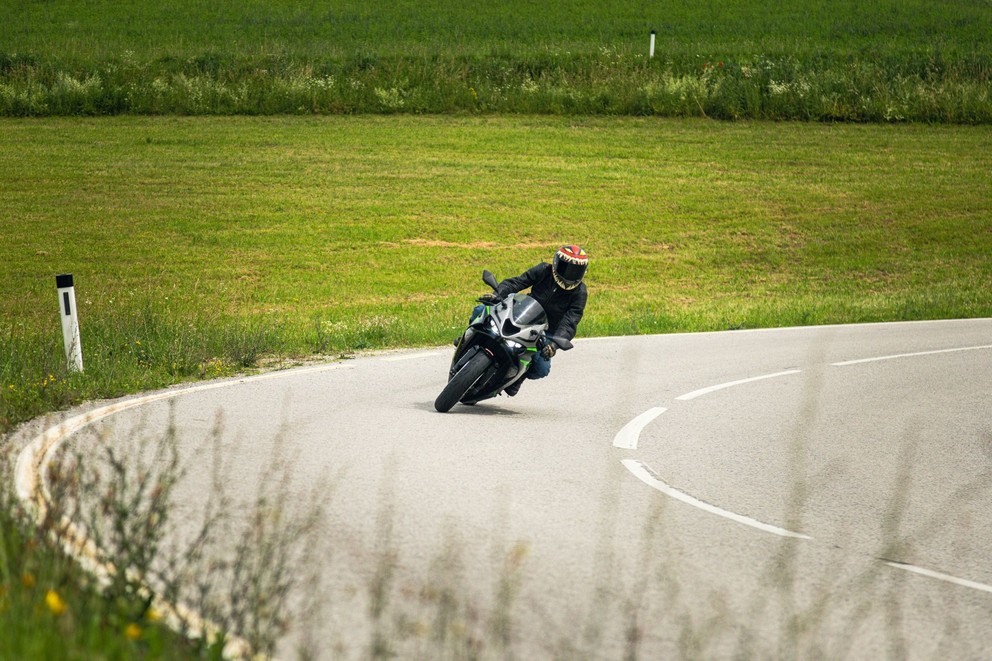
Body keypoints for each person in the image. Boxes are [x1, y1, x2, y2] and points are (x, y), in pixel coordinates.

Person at [475, 245, 589, 396]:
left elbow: (570, 321)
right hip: (522, 313)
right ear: (556, 263)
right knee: (482, 309)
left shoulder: (580, 292)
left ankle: (518, 377)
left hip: (545, 331)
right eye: (566, 267)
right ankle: (471, 337)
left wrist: (554, 344)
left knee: (542, 368)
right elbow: (517, 282)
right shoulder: (543, 270)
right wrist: (497, 294)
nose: (569, 274)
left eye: (575, 271)